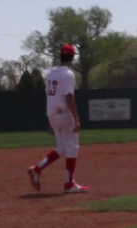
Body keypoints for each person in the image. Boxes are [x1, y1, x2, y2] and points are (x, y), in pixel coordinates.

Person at [27, 44, 90, 194]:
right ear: (73, 57)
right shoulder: (68, 74)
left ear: (60, 56)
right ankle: (69, 184)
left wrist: (50, 119)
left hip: (52, 114)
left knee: (62, 146)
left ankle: (37, 168)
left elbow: (49, 96)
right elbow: (69, 97)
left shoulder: (51, 73)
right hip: (64, 113)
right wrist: (76, 119)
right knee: (73, 148)